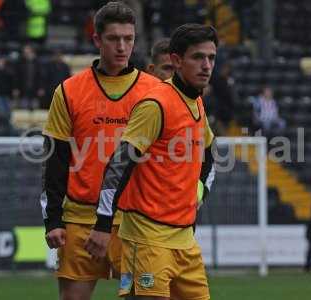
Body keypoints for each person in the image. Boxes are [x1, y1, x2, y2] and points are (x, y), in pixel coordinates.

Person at [85, 23, 217, 300]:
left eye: (211, 58)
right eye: (198, 57)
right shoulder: (155, 104)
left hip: (184, 240)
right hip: (147, 239)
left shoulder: (197, 102)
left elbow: (209, 153)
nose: (206, 65)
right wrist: (102, 225)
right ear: (176, 61)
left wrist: (199, 191)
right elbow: (119, 165)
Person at [41, 2, 159, 300]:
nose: (122, 46)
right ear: (96, 40)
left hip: (136, 222)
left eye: (128, 39)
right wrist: (53, 219)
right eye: (113, 38)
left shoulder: (155, 91)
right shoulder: (69, 91)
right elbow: (55, 159)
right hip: (80, 220)